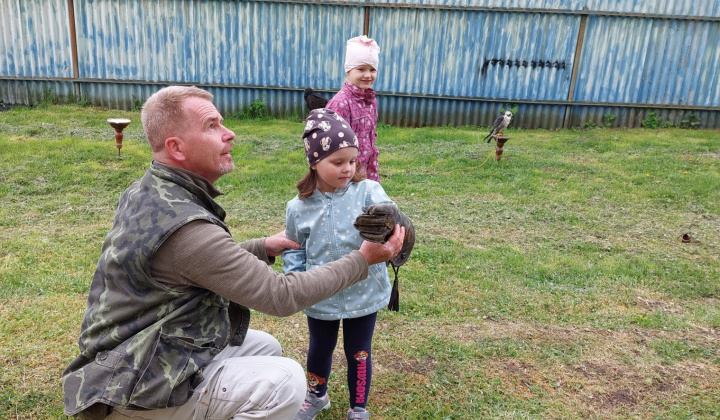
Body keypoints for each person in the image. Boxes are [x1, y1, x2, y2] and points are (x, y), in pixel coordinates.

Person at [61, 86, 404, 420]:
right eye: (212, 126)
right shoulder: (187, 228)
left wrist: (261, 248)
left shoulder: (151, 191)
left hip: (140, 352)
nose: (230, 133)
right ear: (176, 147)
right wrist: (364, 259)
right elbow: (279, 295)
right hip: (132, 387)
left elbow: (186, 263)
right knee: (286, 381)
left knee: (266, 347)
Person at [283, 109, 410, 420]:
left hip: (363, 293)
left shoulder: (367, 191)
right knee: (319, 349)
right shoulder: (297, 208)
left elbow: (389, 214)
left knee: (359, 351)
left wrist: (388, 218)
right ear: (314, 162)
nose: (347, 168)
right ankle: (316, 396)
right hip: (320, 294)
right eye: (337, 162)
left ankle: (358, 408)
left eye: (352, 161)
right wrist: (298, 280)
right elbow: (293, 248)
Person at [326, 35, 381, 182]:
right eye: (361, 69)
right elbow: (333, 146)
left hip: (367, 166)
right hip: (347, 171)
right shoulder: (340, 104)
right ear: (349, 71)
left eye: (372, 70)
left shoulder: (370, 100)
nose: (368, 75)